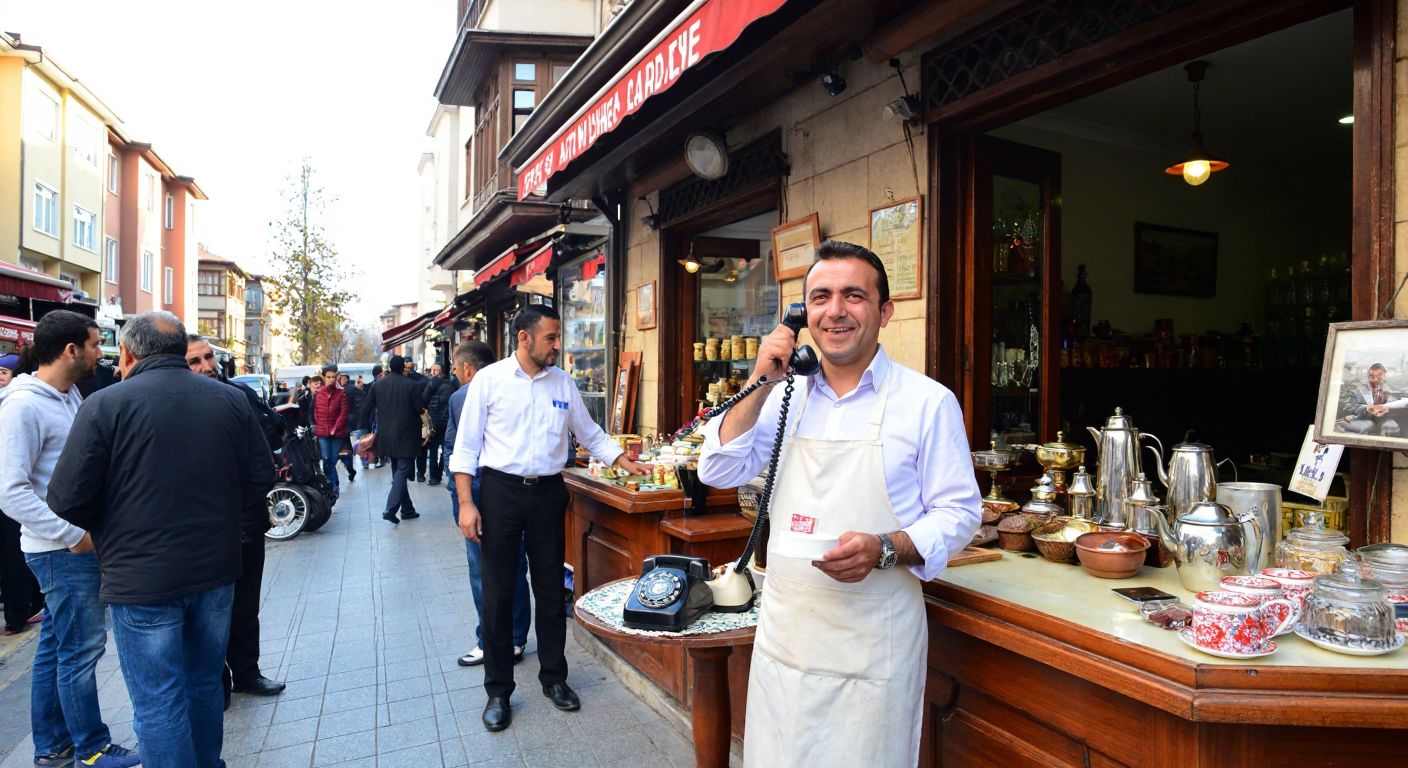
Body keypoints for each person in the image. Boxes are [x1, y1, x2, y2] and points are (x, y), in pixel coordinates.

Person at [697, 240, 982, 766]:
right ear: (804, 315)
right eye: (821, 297)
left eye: (854, 295)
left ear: (884, 311)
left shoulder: (928, 402)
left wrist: (887, 548)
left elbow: (960, 512)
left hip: (876, 641)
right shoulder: (785, 396)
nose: (836, 310)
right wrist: (762, 379)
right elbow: (716, 468)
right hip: (789, 637)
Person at [48, 311, 276, 768]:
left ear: (129, 353)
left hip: (141, 577)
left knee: (157, 699)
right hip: (214, 570)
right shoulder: (229, 400)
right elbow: (260, 479)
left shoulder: (106, 405)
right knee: (202, 683)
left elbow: (66, 498)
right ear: (179, 352)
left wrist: (112, 526)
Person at [451, 305, 649, 732]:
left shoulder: (563, 382)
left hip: (548, 494)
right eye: (550, 338)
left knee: (550, 589)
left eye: (558, 337)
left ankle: (554, 679)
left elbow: (589, 432)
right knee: (500, 593)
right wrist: (467, 504)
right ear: (524, 338)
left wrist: (624, 461)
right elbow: (465, 449)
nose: (558, 345)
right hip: (500, 493)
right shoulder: (489, 381)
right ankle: (498, 690)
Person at [0, 311, 140, 768]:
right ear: (70, 350)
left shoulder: (69, 395)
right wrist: (72, 534)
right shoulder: (22, 405)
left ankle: (53, 747)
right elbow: (10, 490)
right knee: (81, 651)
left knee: (58, 647)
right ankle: (92, 749)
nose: (102, 354)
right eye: (97, 345)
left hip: (71, 545)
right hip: (61, 550)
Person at [185, 335, 287, 708]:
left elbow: (266, 454)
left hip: (244, 519)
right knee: (210, 611)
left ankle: (247, 673)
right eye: (194, 361)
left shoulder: (239, 396)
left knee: (245, 604)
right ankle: (216, 683)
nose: (206, 366)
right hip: (200, 528)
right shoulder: (178, 404)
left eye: (208, 357)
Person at [443, 341, 531, 669]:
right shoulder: (510, 389)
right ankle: (515, 638)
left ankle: (490, 640)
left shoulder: (462, 396)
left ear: (468, 369)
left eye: (455, 368)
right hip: (506, 489)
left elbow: (453, 451)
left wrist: (459, 500)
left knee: (482, 569)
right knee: (514, 566)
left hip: (481, 490)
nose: (455, 374)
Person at [2, 350, 46, 638]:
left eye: (3, 373)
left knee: (15, 557)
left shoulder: (20, 404)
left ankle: (23, 611)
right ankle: (20, 612)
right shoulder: (19, 404)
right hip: (13, 498)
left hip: (24, 504)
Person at [359, 355, 425, 524]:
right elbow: (419, 408)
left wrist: (363, 429)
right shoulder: (412, 385)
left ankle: (407, 509)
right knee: (402, 470)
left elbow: (366, 407)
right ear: (403, 367)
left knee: (397, 471)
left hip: (387, 435)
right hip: (407, 434)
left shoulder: (378, 385)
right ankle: (390, 509)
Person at [1338, 363, 1408, 436]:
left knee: (1392, 426)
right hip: (1364, 419)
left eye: (1380, 375)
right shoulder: (1359, 389)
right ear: (1369, 375)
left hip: (1383, 418)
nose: (1376, 378)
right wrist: (1366, 410)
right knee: (1368, 426)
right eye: (1372, 376)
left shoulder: (1389, 389)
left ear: (1384, 376)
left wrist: (1387, 410)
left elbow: (1394, 404)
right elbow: (1349, 407)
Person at [314, 365, 353, 492]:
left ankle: (333, 485)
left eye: (333, 377)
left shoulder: (342, 393)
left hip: (337, 433)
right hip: (322, 432)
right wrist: (318, 425)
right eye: (328, 377)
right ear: (324, 378)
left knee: (333, 459)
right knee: (326, 459)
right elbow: (315, 412)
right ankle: (333, 485)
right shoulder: (319, 393)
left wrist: (335, 428)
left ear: (337, 378)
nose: (331, 379)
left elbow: (344, 413)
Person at [422, 363, 454, 486]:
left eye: (435, 370)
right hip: (447, 421)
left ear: (439, 372)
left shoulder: (433, 382)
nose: (433, 372)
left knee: (434, 449)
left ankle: (434, 477)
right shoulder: (453, 382)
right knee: (445, 448)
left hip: (434, 420)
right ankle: (440, 474)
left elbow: (424, 398)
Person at [346, 374, 369, 470]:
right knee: (359, 444)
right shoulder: (356, 392)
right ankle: (363, 461)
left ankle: (362, 462)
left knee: (357, 444)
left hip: (357, 423)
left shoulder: (359, 392)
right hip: (358, 423)